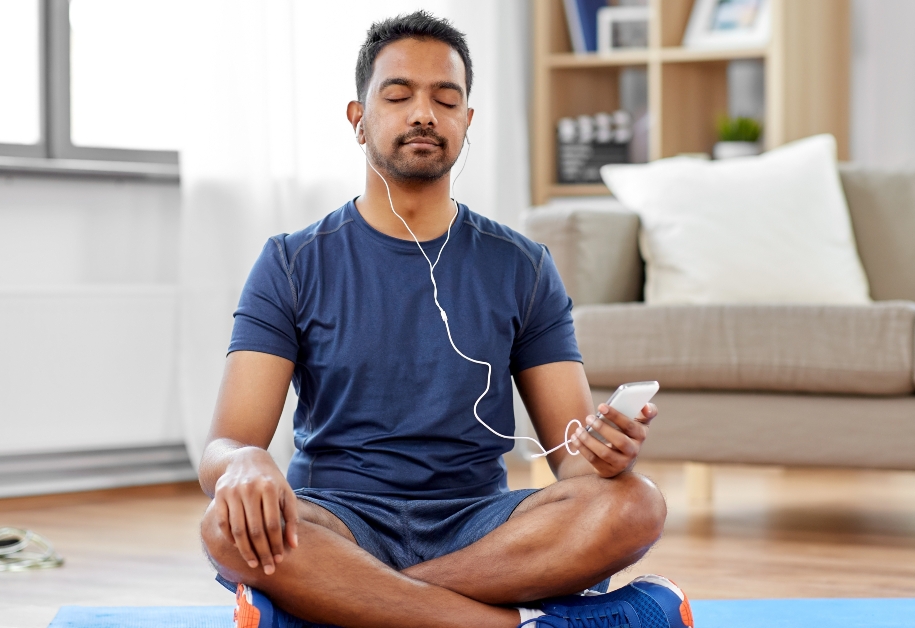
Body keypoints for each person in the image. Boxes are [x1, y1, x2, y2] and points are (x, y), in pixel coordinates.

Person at [198, 11, 690, 628]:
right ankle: (503, 624)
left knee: (635, 506)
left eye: (445, 98)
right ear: (359, 120)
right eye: (398, 95)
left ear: (467, 122)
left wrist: (607, 453)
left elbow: (573, 462)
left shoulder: (523, 265)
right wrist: (242, 461)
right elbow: (224, 443)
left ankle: (337, 609)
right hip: (337, 520)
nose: (423, 113)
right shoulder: (291, 262)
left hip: (480, 529)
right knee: (224, 523)